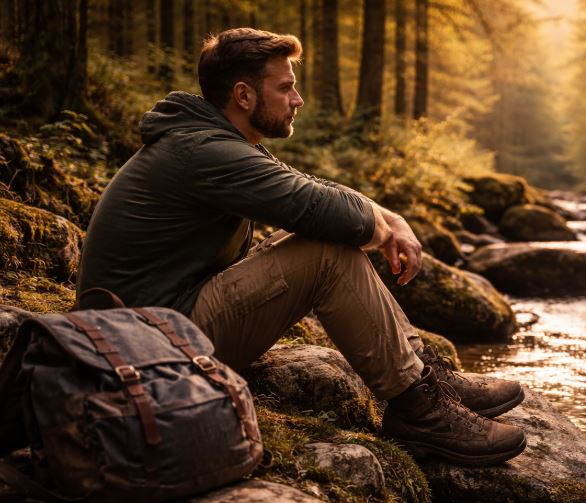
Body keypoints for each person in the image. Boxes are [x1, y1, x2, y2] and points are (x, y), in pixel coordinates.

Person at [77, 28, 526, 466]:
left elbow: (311, 187)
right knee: (325, 253)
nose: (298, 99)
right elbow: (320, 208)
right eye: (285, 87)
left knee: (316, 239)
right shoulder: (203, 151)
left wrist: (393, 219)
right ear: (243, 95)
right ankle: (420, 411)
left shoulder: (212, 139)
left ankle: (424, 376)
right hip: (143, 351)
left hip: (160, 326)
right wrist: (385, 230)